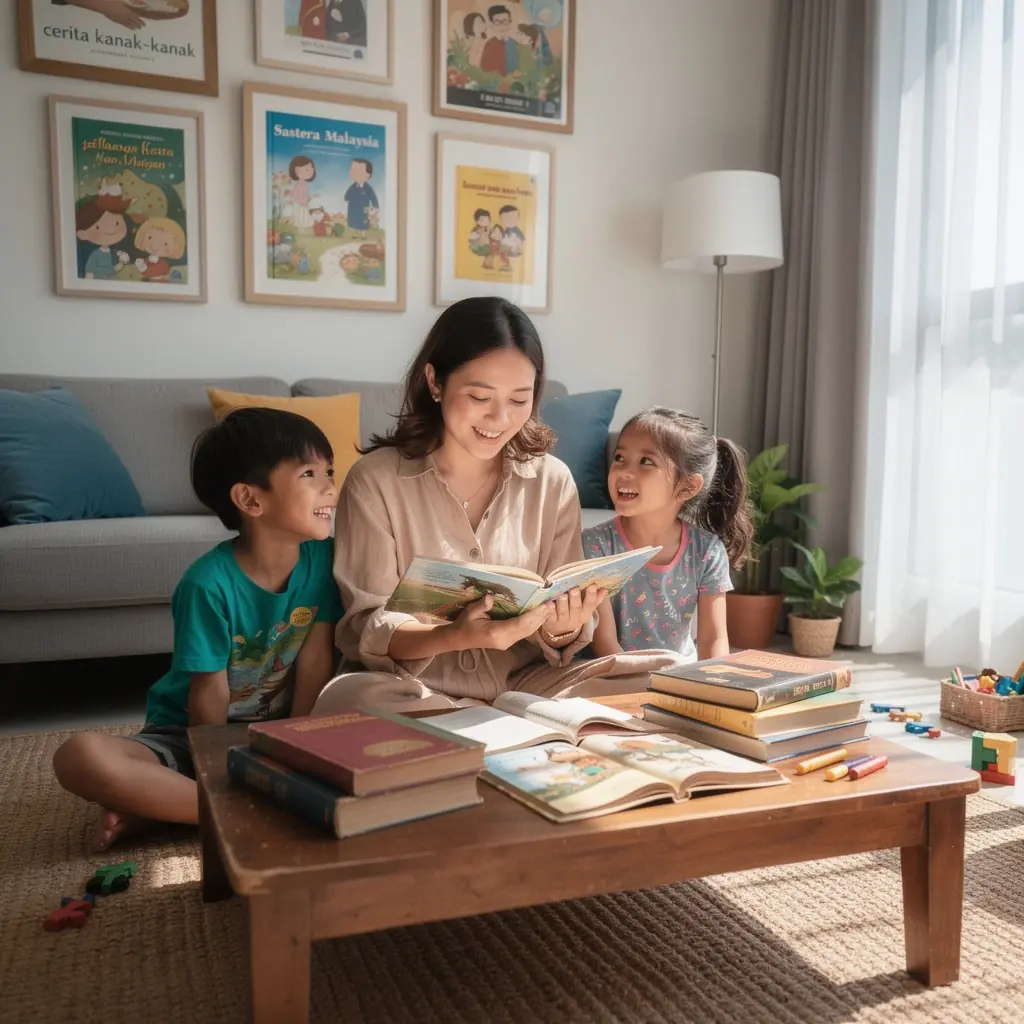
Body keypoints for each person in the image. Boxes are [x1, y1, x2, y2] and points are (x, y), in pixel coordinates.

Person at [324, 297, 684, 715]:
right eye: (479, 396)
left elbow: (564, 623)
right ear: (435, 382)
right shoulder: (375, 481)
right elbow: (368, 623)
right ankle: (520, 736)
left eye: (518, 400)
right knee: (351, 699)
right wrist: (459, 635)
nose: (499, 418)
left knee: (666, 674)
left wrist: (563, 625)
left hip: (527, 684)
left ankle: (489, 734)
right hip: (413, 687)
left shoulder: (552, 481)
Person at [52, 408, 343, 850]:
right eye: (309, 473)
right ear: (250, 500)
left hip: (278, 732)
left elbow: (316, 658)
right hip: (192, 734)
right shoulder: (206, 584)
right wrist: (218, 766)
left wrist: (293, 752)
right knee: (78, 756)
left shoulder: (323, 560)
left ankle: (164, 810)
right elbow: (209, 695)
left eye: (330, 471)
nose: (330, 486)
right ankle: (231, 806)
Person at [583, 408, 753, 662]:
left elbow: (713, 639)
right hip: (614, 675)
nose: (624, 472)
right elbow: (604, 643)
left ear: (687, 486)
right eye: (620, 457)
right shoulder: (596, 544)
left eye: (646, 462)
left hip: (678, 676)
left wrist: (712, 686)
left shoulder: (706, 550)